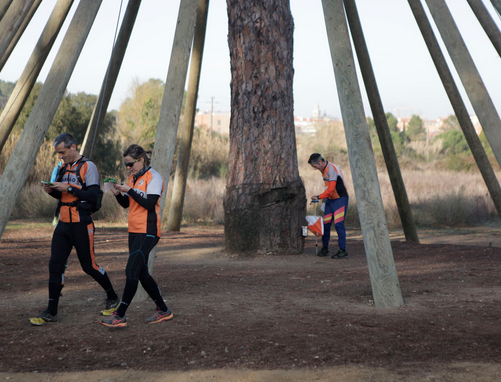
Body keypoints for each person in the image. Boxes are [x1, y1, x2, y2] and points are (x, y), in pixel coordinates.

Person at [30, 133, 120, 325]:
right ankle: (50, 311)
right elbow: (62, 196)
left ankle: (112, 297)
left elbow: (92, 195)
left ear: (73, 147)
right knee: (55, 266)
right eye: (58, 153)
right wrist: (52, 191)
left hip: (81, 224)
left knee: (89, 267)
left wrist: (69, 188)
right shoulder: (63, 167)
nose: (60, 156)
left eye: (62, 152)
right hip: (62, 224)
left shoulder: (89, 166)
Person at [100, 144, 173, 328]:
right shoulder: (132, 177)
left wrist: (129, 190)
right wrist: (118, 193)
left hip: (148, 231)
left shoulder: (154, 176)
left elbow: (149, 203)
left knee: (131, 270)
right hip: (134, 231)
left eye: (130, 164)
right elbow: (127, 204)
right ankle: (163, 310)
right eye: (126, 165)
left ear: (141, 160)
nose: (128, 168)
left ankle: (120, 315)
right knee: (141, 273)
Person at [308, 153, 349, 259]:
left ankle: (342, 250)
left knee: (339, 224)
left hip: (340, 199)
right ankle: (325, 248)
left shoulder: (331, 169)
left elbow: (331, 188)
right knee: (326, 225)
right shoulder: (323, 170)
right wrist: (325, 199)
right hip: (330, 200)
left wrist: (319, 196)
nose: (315, 169)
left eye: (315, 166)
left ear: (320, 162)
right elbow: (328, 188)